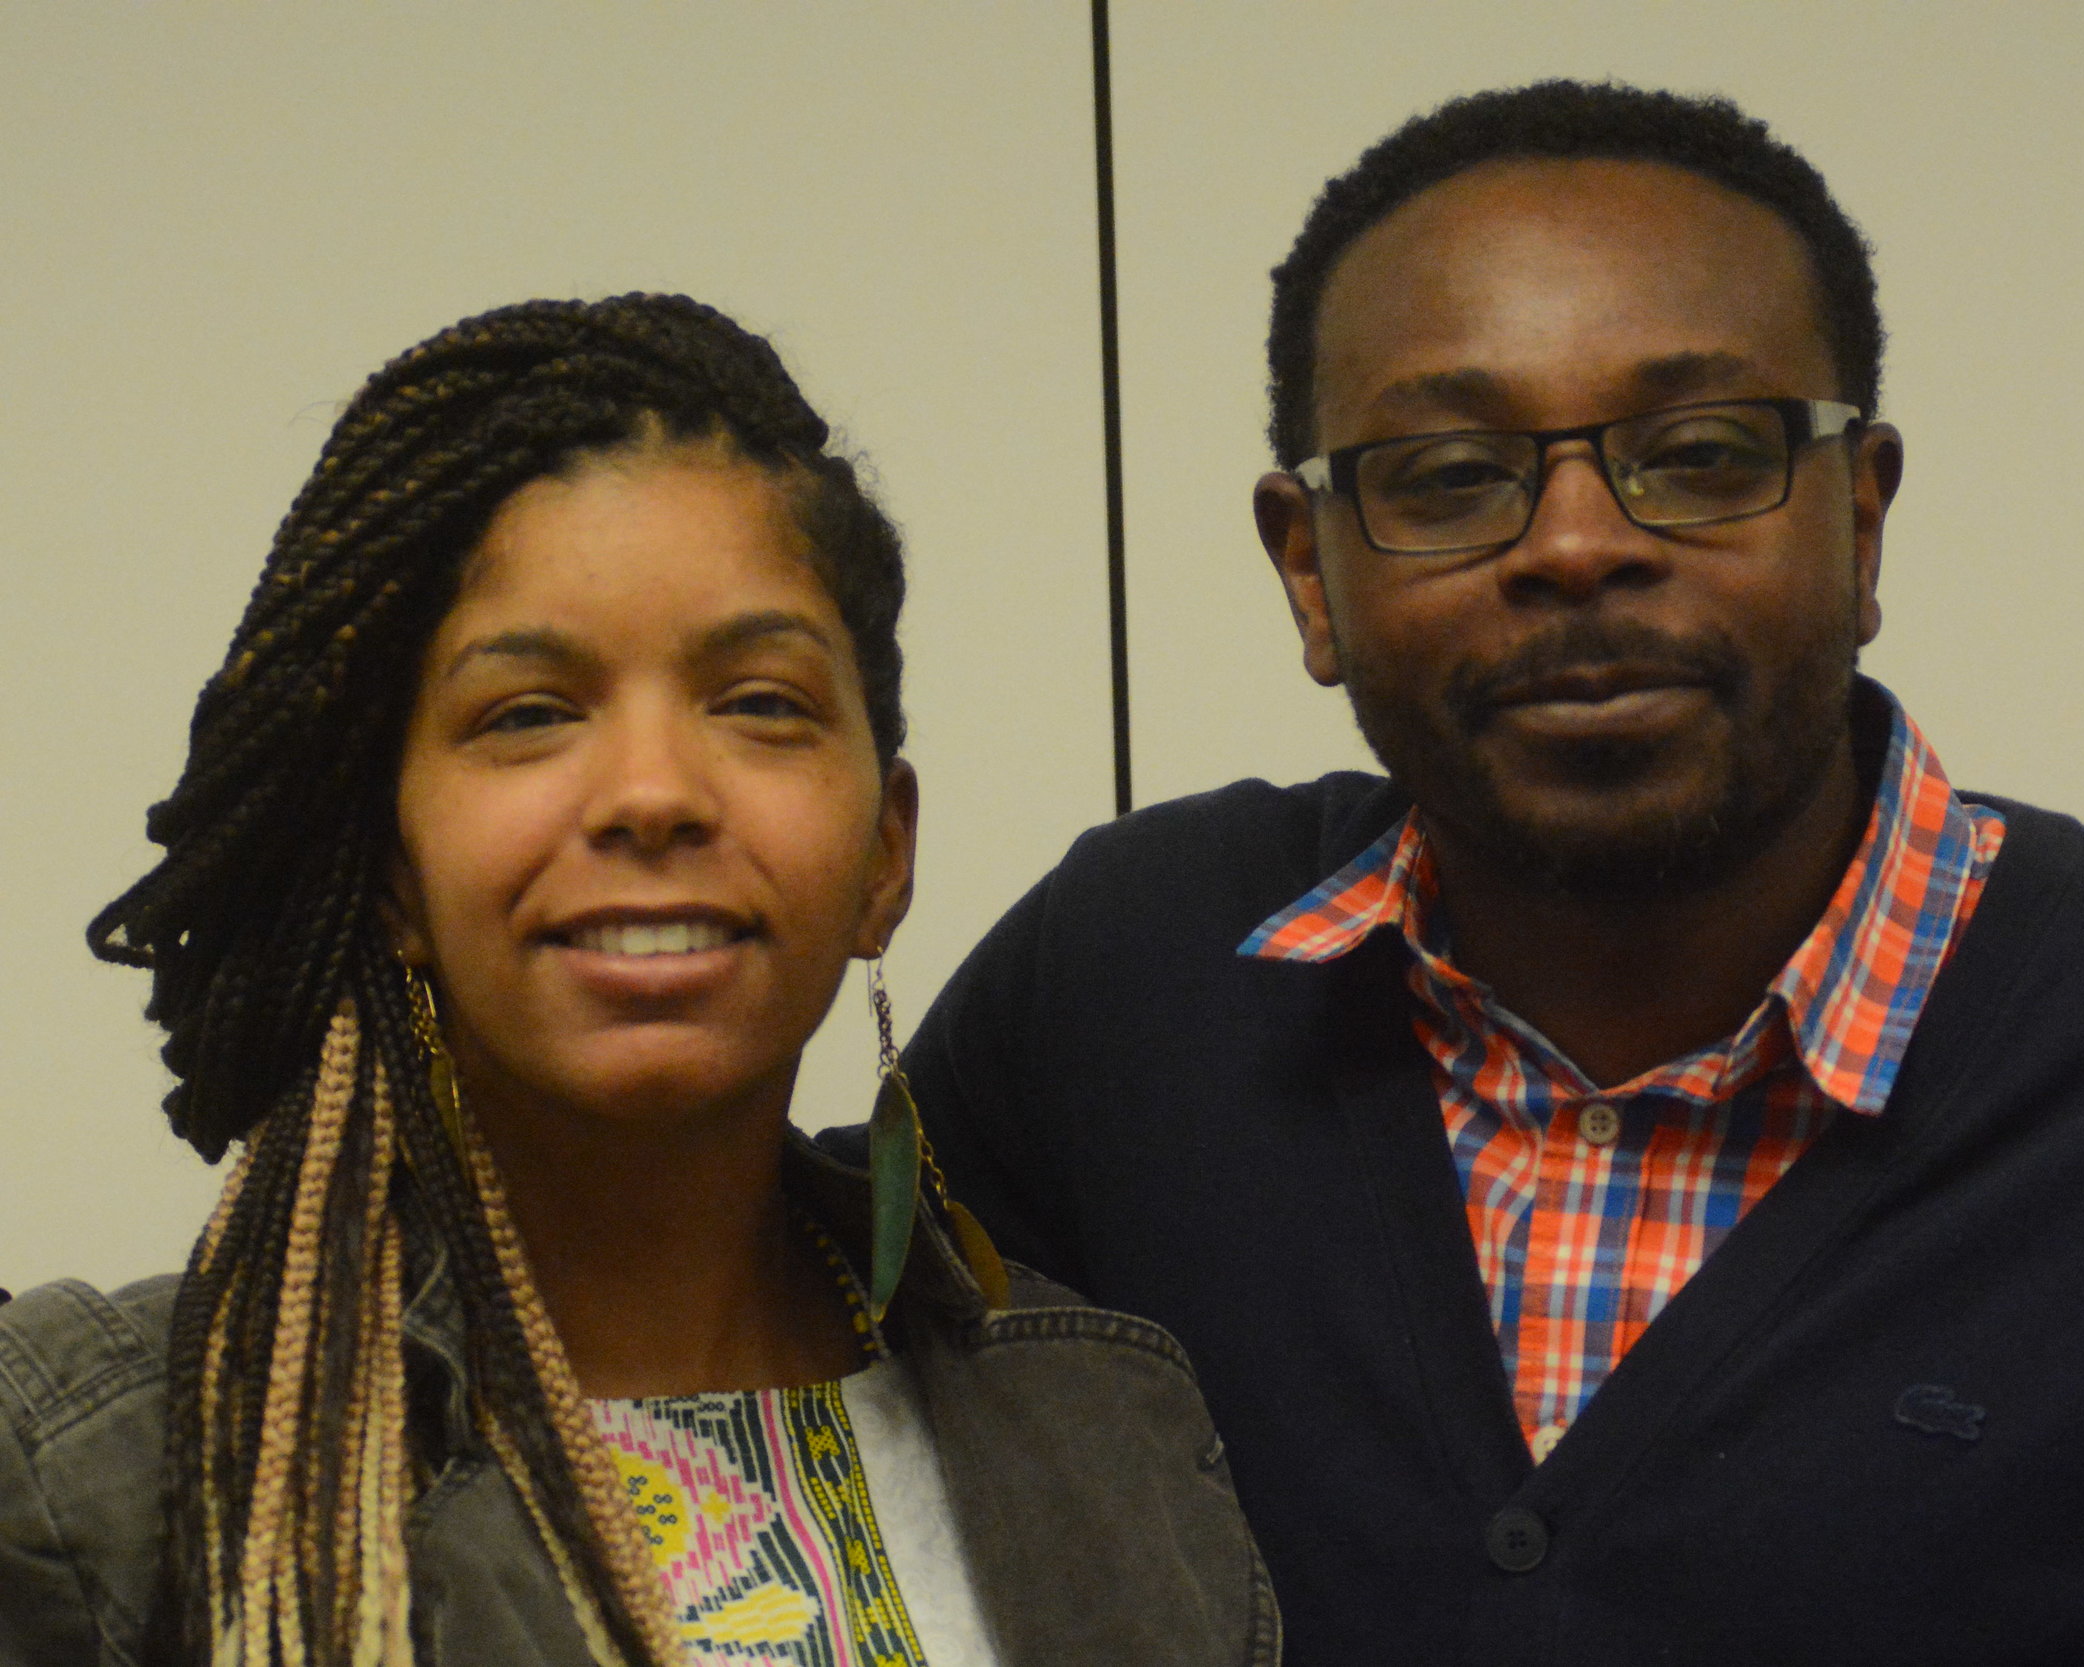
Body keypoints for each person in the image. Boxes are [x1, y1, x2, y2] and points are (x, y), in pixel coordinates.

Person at [893, 81, 2084, 1665]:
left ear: (1861, 521)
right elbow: (734, 1371)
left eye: (1706, 452)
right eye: (1450, 477)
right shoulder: (1132, 991)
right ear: (1311, 572)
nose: (1578, 542)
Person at [0, 294, 1277, 1667]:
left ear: (883, 857)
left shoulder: (1109, 1430)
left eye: (760, 703)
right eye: (530, 714)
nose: (654, 794)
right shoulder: (102, 1479)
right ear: (388, 875)